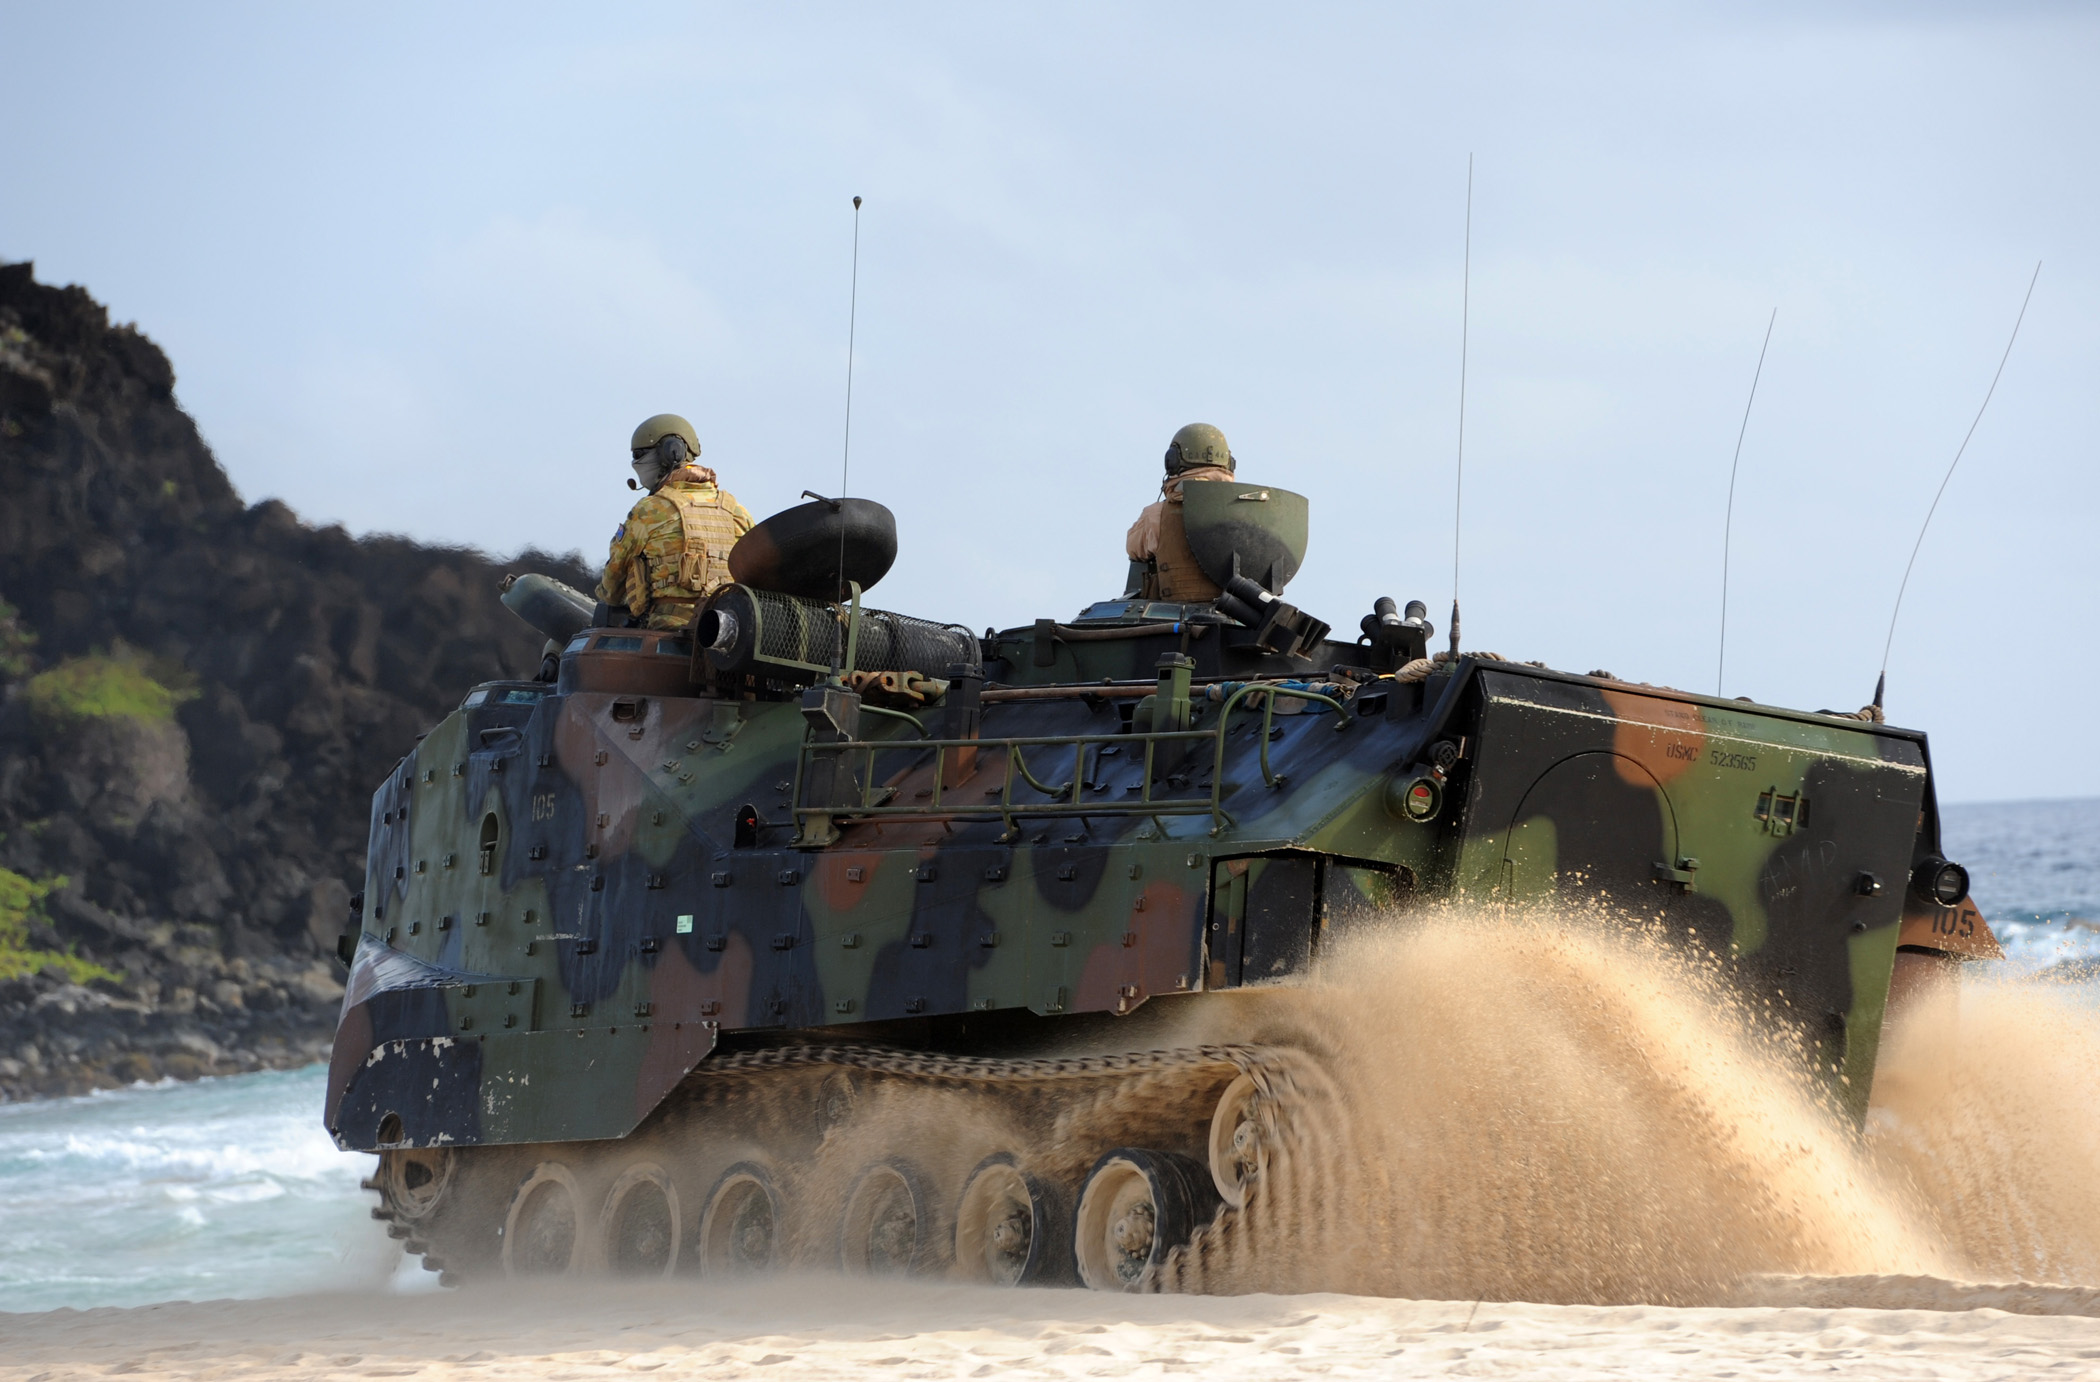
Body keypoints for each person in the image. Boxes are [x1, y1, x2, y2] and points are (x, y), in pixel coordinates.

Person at [595, 413, 756, 629]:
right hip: (724, 640)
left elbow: (611, 588)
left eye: (640, 455)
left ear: (671, 452)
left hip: (665, 641)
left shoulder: (649, 511)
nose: (636, 463)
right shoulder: (736, 510)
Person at [1123, 422, 1237, 602]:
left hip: (1174, 618)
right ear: (1229, 463)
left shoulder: (1156, 515)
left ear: (1173, 461)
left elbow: (1133, 548)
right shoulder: (1245, 510)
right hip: (1240, 617)